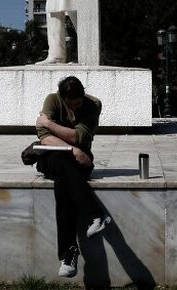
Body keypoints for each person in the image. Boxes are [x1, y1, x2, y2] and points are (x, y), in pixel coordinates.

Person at [35, 76, 110, 278]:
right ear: (62, 98)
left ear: (83, 95)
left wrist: (49, 123)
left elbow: (80, 137)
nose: (75, 108)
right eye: (71, 104)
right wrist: (72, 150)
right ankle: (95, 213)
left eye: (78, 103)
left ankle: (69, 254)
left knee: (62, 181)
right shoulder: (52, 100)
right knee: (61, 161)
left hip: (80, 160)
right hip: (54, 157)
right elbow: (43, 135)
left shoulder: (93, 104)